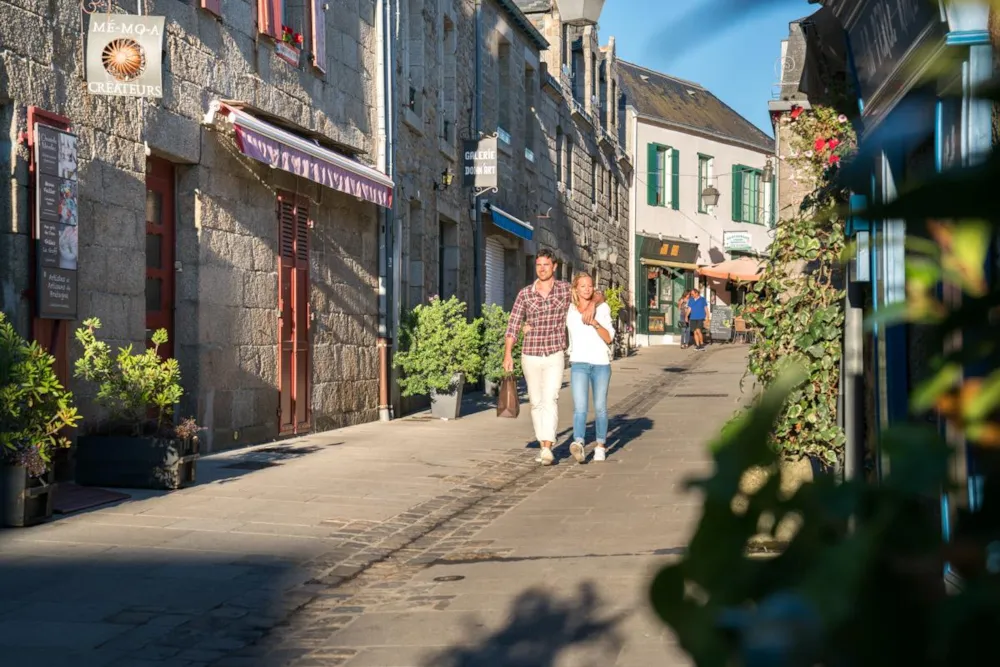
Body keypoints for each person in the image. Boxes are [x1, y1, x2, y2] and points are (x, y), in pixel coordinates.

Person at [504, 250, 598, 466]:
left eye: (546, 265)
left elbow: (593, 294)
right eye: (539, 265)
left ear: (554, 267)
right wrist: (508, 353)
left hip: (554, 352)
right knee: (536, 401)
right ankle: (542, 444)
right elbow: (513, 324)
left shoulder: (565, 290)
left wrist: (592, 304)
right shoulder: (525, 294)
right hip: (530, 353)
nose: (542, 269)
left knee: (551, 398)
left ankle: (547, 447)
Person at [566, 272, 614, 463]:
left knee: (600, 407)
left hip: (601, 363)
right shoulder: (570, 309)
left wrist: (595, 322)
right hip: (579, 362)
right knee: (580, 407)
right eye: (583, 286)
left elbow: (609, 338)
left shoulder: (602, 308)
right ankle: (579, 442)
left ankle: (600, 445)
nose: (587, 289)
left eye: (590, 285)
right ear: (576, 289)